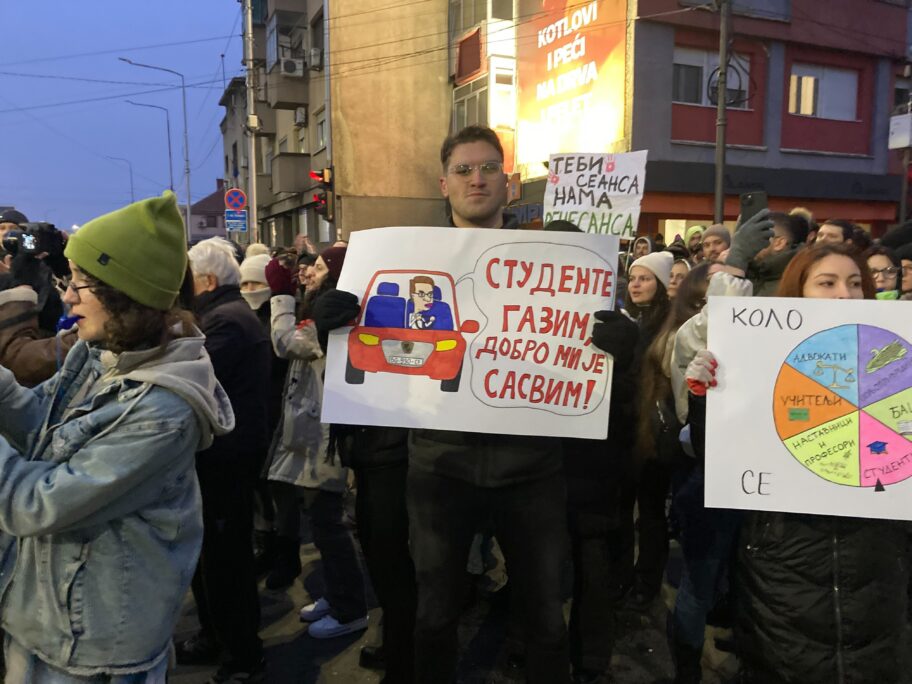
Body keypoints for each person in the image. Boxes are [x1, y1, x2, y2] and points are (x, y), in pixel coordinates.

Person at [314, 125, 569, 683]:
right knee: (433, 617)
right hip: (439, 466)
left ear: (509, 181)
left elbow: (576, 352)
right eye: (464, 169)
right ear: (443, 183)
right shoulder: (404, 258)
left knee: (548, 618)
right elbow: (365, 364)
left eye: (488, 168)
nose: (477, 178)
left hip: (533, 467)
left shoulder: (552, 261)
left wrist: (612, 345)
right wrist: (330, 325)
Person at [0, 192, 234, 681]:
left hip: (92, 646)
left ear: (126, 293)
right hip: (44, 615)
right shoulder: (101, 352)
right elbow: (37, 423)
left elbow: (37, 504)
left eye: (82, 283)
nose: (66, 296)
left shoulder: (165, 409)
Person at [691, 244, 910, 683]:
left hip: (875, 562)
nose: (844, 295)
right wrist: (705, 396)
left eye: (855, 284)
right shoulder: (760, 360)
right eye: (826, 284)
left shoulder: (897, 366)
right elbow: (716, 456)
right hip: (782, 557)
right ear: (797, 294)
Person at [264, 246, 370, 640]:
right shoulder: (321, 310)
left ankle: (350, 609)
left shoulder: (334, 315)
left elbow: (285, 341)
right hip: (311, 438)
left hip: (324, 442)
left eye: (319, 267)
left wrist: (280, 297)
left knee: (330, 526)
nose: (309, 273)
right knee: (324, 526)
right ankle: (337, 593)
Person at [178, 237, 270, 682]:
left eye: (188, 279)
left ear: (208, 280)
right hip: (219, 457)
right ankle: (217, 637)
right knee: (213, 558)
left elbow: (191, 374)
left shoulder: (227, 321)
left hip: (227, 460)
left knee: (227, 562)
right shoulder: (223, 314)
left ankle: (242, 657)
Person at [617, 250, 674, 607]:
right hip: (623, 427)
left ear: (662, 285)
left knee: (651, 512)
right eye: (634, 278)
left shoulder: (669, 324)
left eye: (646, 278)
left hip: (652, 431)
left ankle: (647, 582)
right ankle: (622, 575)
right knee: (622, 509)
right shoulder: (624, 318)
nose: (636, 284)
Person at [744, 212, 808, 296]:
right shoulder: (747, 270)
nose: (746, 243)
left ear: (779, 243)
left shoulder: (799, 281)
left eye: (754, 237)